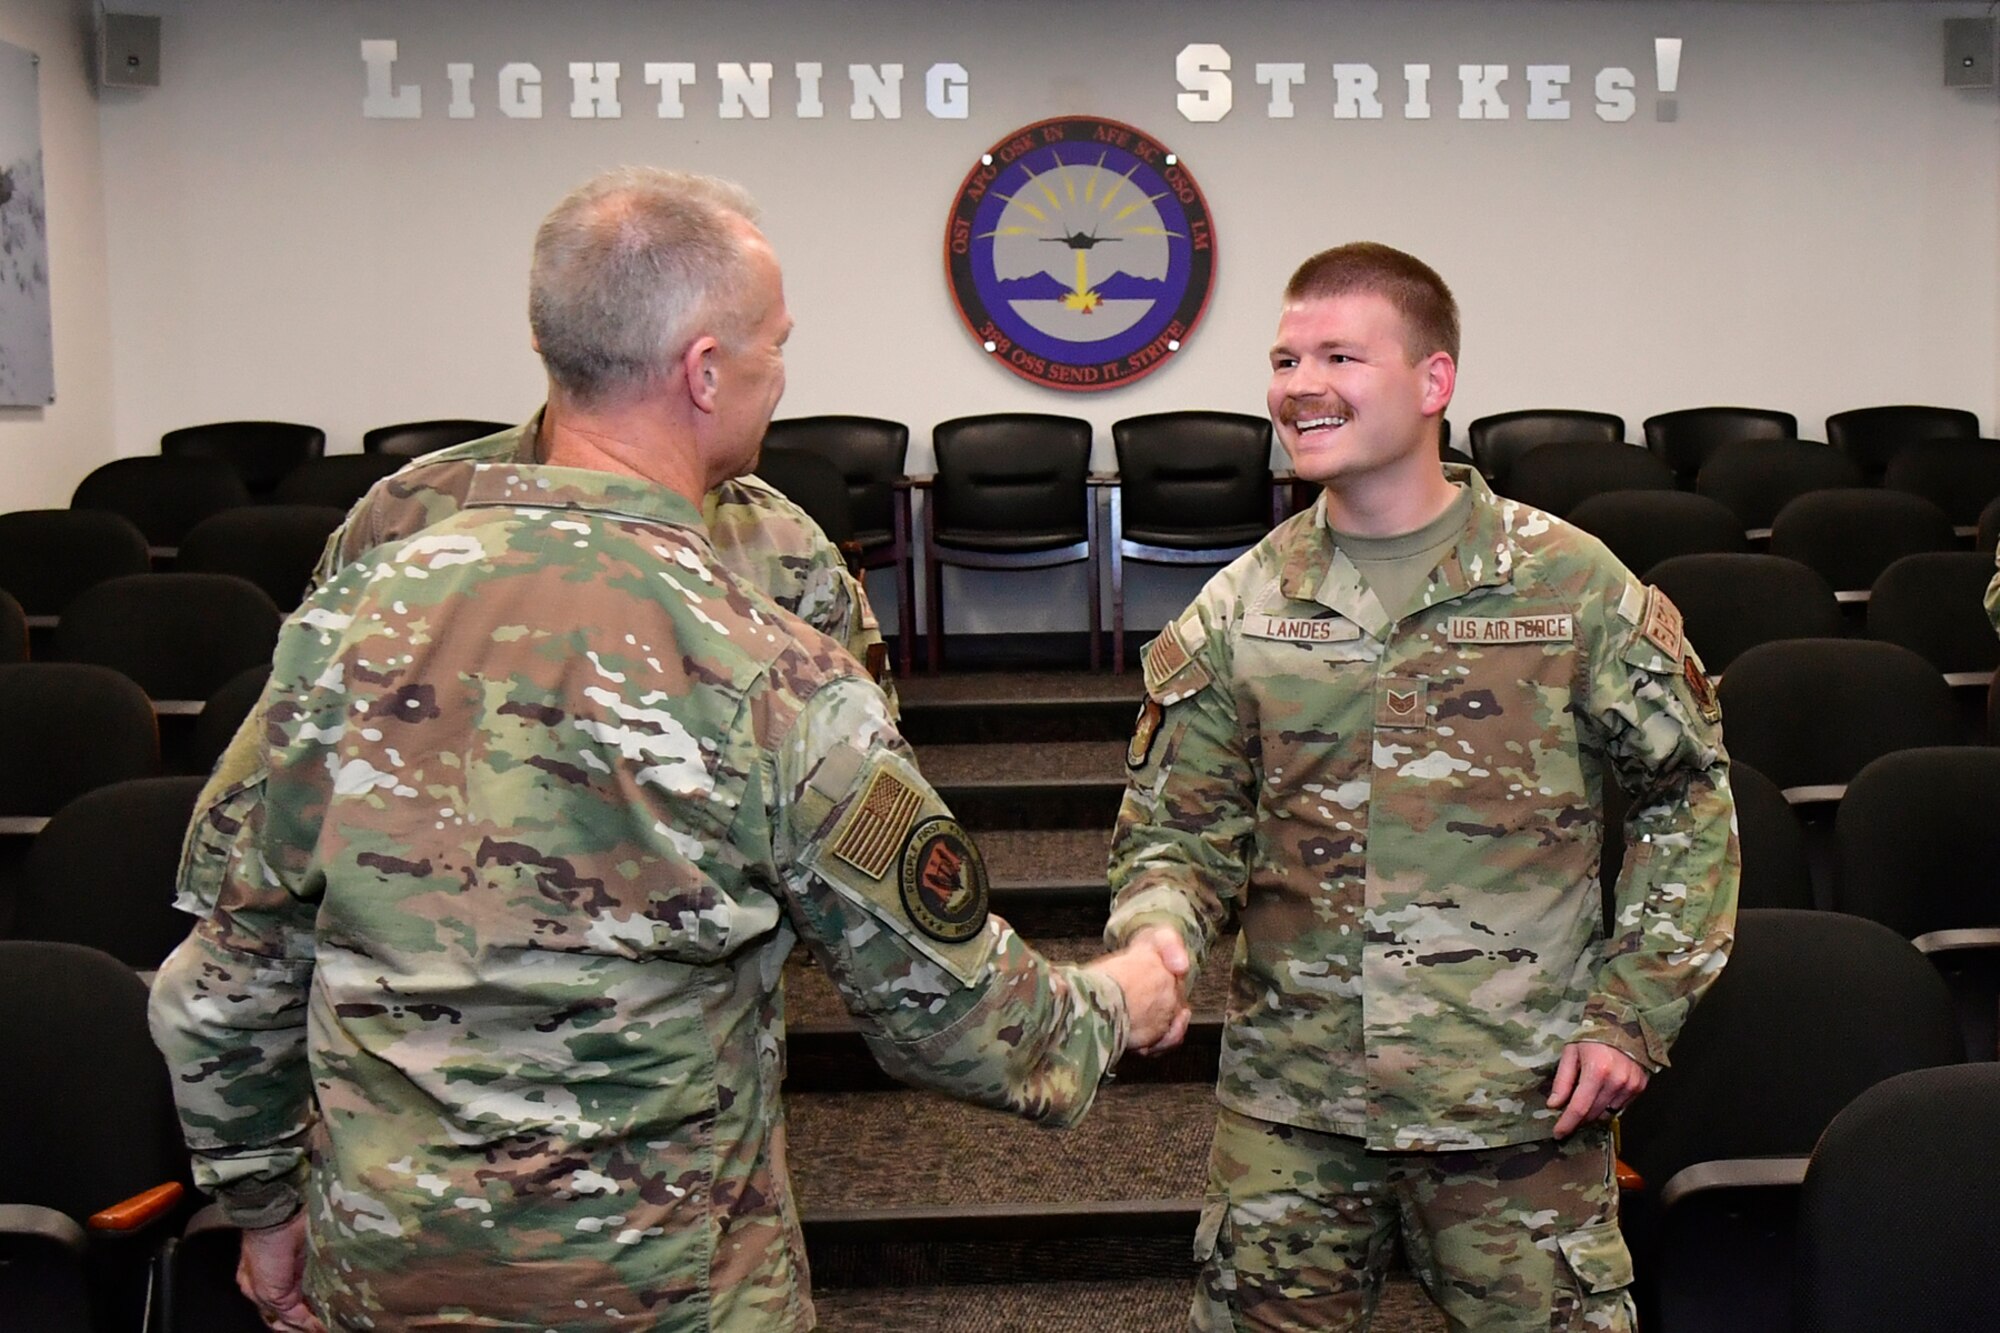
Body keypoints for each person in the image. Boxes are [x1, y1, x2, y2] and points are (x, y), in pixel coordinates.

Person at [149, 167, 1189, 1333]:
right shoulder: (775, 669)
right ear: (704, 371)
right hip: (667, 1287)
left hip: (385, 1275)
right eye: (773, 351)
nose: (780, 377)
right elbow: (962, 1018)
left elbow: (219, 983)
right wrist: (1121, 996)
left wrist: (260, 1203)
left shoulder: (352, 615)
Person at [1104, 242, 1739, 1331]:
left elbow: (1688, 804)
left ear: (1432, 382)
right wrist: (1157, 932)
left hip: (1517, 1099)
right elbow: (1177, 834)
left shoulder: (1568, 584)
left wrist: (1630, 1012)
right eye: (1283, 356)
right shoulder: (1239, 606)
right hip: (1292, 1109)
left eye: (1338, 354)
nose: (1298, 383)